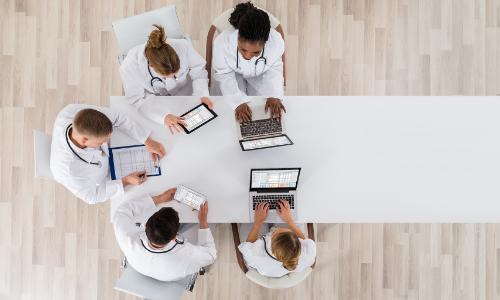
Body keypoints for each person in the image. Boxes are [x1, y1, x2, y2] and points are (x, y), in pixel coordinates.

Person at [50, 104, 165, 204]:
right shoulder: (68, 170)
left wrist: (146, 140)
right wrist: (125, 181)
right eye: (101, 142)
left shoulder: (72, 113)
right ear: (84, 140)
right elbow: (93, 196)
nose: (105, 142)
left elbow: (118, 117)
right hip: (105, 178)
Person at [120, 24, 213, 134]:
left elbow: (198, 71)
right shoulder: (129, 67)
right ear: (152, 67)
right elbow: (137, 99)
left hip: (187, 94)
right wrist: (163, 116)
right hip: (155, 102)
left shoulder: (182, 47)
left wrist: (202, 94)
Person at [113, 188, 217, 281]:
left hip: (142, 266)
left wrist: (159, 198)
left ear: (145, 224)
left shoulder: (127, 237)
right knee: (211, 223)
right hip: (169, 274)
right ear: (175, 238)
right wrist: (203, 220)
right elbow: (211, 254)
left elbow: (120, 211)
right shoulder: (187, 256)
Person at [211, 1, 286, 123]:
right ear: (238, 37)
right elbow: (224, 74)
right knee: (225, 119)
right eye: (243, 49)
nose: (248, 56)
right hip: (231, 79)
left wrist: (273, 94)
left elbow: (274, 67)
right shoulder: (223, 42)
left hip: (260, 78)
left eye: (256, 53)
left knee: (261, 116)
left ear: (265, 43)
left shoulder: (276, 42)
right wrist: (236, 101)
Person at [238, 199, 316, 277]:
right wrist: (289, 220)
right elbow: (305, 240)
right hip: (282, 246)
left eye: (274, 232)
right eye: (288, 230)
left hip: (260, 246)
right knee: (286, 214)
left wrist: (257, 224)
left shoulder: (256, 256)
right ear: (300, 243)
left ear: (271, 250)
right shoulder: (309, 253)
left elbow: (249, 245)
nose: (277, 228)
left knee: (251, 217)